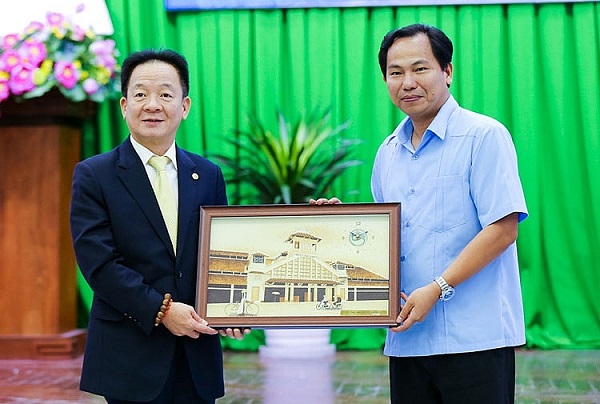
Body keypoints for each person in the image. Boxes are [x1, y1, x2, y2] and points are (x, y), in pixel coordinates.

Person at [313, 23, 528, 403]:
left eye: (420, 68)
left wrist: (437, 288)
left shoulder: (484, 136)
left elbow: (502, 230)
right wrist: (343, 227)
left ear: (447, 71)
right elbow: (386, 241)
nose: (408, 82)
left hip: (474, 338)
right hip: (408, 338)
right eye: (395, 73)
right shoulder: (387, 152)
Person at [70, 49, 248, 404]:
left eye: (166, 94)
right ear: (124, 106)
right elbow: (100, 264)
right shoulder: (94, 175)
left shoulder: (208, 174)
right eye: (140, 94)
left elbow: (221, 254)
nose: (152, 105)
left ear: (185, 106)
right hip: (130, 355)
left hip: (196, 355)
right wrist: (162, 311)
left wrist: (232, 306)